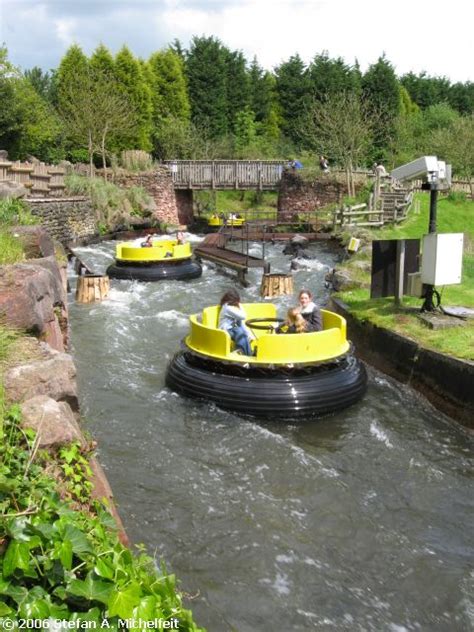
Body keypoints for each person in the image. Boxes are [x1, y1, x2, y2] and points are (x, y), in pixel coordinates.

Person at [218, 289, 254, 356]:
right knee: (239, 332)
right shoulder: (228, 308)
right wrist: (240, 305)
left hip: (232, 328)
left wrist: (249, 334)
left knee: (242, 332)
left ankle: (248, 353)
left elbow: (241, 322)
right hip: (225, 330)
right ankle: (243, 353)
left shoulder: (232, 307)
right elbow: (243, 316)